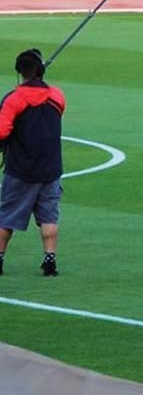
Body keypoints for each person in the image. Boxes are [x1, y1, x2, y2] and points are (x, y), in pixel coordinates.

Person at [0, 49, 65, 276]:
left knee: (6, 216)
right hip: (50, 167)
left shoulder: (14, 99)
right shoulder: (57, 96)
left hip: (20, 169)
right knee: (49, 215)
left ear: (20, 72)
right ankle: (50, 260)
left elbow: (1, 131)